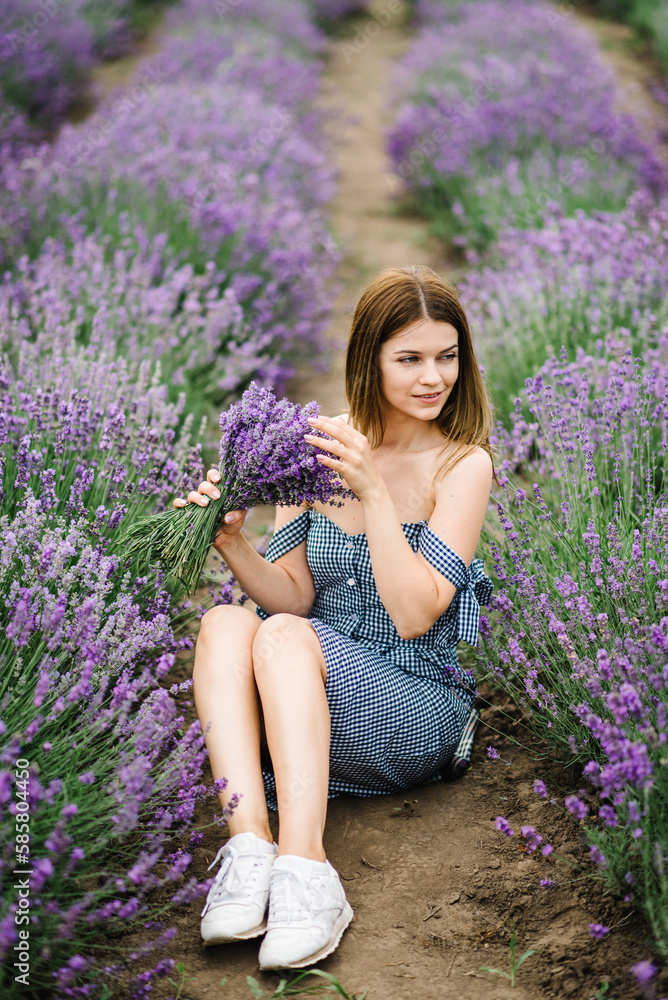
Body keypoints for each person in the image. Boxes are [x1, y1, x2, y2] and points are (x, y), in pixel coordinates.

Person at [174, 264, 494, 971]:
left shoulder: (460, 466)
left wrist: (374, 494)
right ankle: (251, 846)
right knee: (225, 623)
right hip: (305, 696)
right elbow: (291, 595)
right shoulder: (319, 447)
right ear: (368, 359)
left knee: (285, 637)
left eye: (447, 357)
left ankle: (308, 869)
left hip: (415, 705)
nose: (433, 378)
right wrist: (231, 542)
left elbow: (414, 616)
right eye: (409, 359)